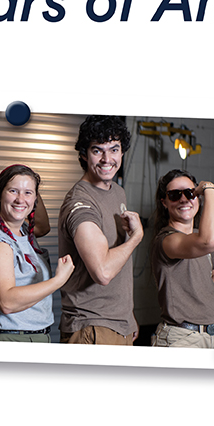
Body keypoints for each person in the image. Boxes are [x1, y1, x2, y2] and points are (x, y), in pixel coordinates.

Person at [57, 115, 143, 345]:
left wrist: (127, 314)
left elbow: (118, 265)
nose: (107, 159)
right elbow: (103, 272)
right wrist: (136, 238)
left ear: (122, 152)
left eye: (114, 149)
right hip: (91, 327)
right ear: (84, 155)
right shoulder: (81, 203)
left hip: (116, 322)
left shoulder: (117, 191)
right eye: (97, 151)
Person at [0, 164, 74, 342]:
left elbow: (43, 226)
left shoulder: (22, 230)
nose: (20, 199)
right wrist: (58, 281)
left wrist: (29, 181)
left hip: (29, 337)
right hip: (10, 340)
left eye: (27, 193)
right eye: (13, 191)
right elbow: (6, 302)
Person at [149, 169, 214, 348]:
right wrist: (209, 188)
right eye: (175, 195)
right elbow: (211, 241)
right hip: (182, 338)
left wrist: (209, 302)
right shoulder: (166, 240)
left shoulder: (199, 236)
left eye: (190, 193)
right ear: (164, 203)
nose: (184, 199)